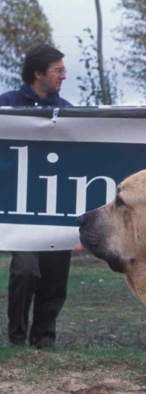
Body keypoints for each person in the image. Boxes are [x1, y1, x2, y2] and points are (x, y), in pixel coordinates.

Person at [0, 43, 73, 348]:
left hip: (57, 206)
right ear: (38, 73)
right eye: (58, 70)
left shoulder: (69, 112)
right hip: (19, 207)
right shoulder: (7, 106)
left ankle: (44, 340)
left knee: (56, 278)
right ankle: (16, 339)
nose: (63, 76)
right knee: (25, 270)